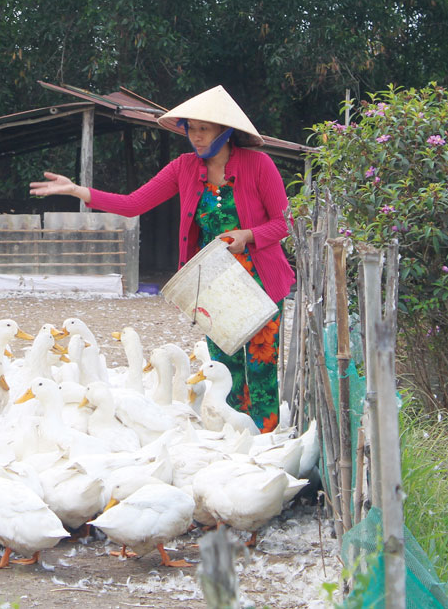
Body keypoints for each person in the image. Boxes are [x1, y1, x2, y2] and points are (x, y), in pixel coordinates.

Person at [29, 86, 294, 433]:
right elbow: (134, 203)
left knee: (261, 363)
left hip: (260, 278)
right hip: (214, 281)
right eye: (190, 128)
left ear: (225, 131)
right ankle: (234, 438)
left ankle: (264, 438)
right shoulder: (184, 168)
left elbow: (283, 222)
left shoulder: (258, 165)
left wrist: (248, 236)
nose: (195, 137)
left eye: (204, 129)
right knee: (225, 365)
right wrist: (79, 191)